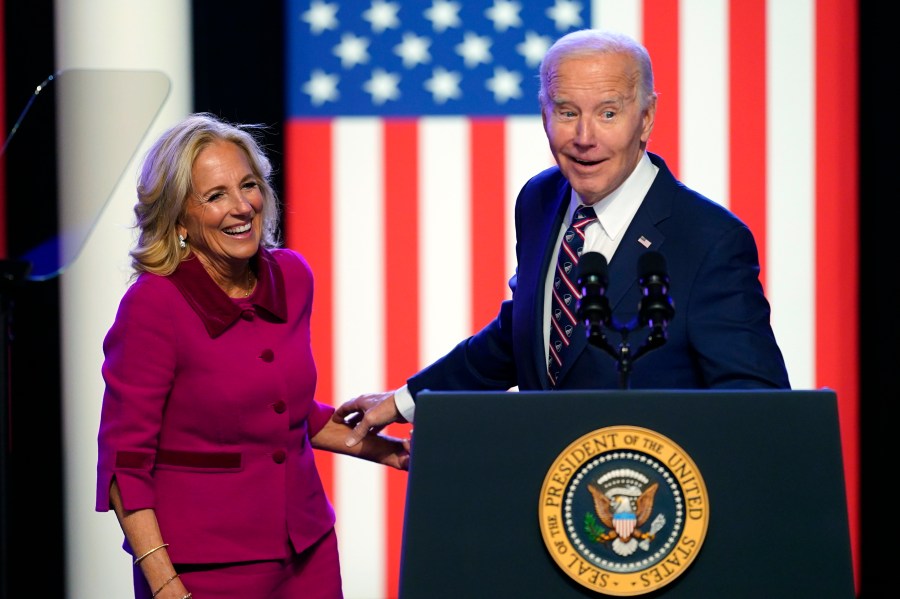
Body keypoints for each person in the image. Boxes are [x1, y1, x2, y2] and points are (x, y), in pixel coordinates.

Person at [335, 28, 791, 445]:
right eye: (567, 112)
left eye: (608, 113)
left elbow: (754, 404)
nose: (584, 137)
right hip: (546, 496)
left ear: (646, 118)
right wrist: (405, 401)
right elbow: (526, 332)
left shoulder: (709, 239)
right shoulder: (539, 199)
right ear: (544, 114)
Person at [96, 112, 410, 599]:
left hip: (308, 552)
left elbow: (285, 416)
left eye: (248, 185)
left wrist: (389, 451)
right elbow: (125, 464)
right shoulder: (153, 306)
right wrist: (164, 584)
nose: (242, 207)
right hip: (205, 567)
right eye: (216, 196)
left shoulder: (291, 276)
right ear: (179, 218)